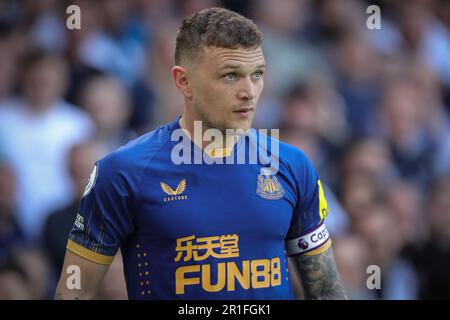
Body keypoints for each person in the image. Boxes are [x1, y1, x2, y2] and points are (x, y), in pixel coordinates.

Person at [55, 7, 347, 300]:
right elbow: (74, 292)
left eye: (257, 74)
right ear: (184, 81)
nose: (250, 92)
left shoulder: (293, 166)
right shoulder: (122, 172)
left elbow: (326, 291)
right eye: (231, 76)